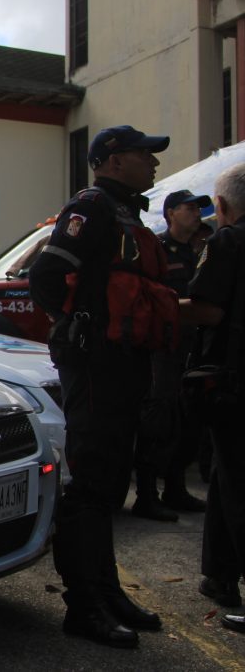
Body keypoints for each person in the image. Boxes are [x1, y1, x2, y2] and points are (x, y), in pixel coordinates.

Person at [29, 125, 172, 648]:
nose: (153, 163)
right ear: (113, 160)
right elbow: (44, 276)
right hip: (96, 361)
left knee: (111, 478)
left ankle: (107, 590)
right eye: (144, 154)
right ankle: (83, 605)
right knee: (90, 480)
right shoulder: (90, 207)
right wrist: (77, 327)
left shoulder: (125, 212)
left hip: (123, 360)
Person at [180, 161, 245, 633]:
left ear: (220, 206)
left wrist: (157, 306)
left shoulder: (228, 241)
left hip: (235, 380)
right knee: (224, 478)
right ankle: (220, 576)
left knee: (238, 483)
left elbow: (207, 309)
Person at [131, 190, 212, 521]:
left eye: (198, 208)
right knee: (159, 420)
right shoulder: (158, 250)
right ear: (170, 213)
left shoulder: (199, 252)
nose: (196, 214)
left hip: (191, 349)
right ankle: (147, 495)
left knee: (188, 421)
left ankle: (175, 488)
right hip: (163, 350)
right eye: (189, 208)